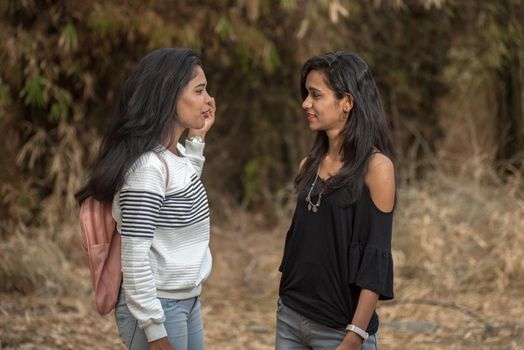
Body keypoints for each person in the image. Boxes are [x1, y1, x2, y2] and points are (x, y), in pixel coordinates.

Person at [76, 48, 216, 350]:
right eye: (200, 90)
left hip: (185, 302)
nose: (208, 100)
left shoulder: (170, 157)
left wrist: (198, 139)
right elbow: (135, 257)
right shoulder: (147, 170)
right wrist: (155, 331)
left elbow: (183, 189)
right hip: (161, 309)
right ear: (168, 97)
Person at [276, 51, 395, 350]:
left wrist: (355, 334)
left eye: (316, 95)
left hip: (341, 331)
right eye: (306, 94)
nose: (306, 103)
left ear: (347, 102)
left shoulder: (376, 168)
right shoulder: (308, 165)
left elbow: (375, 255)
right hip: (291, 318)